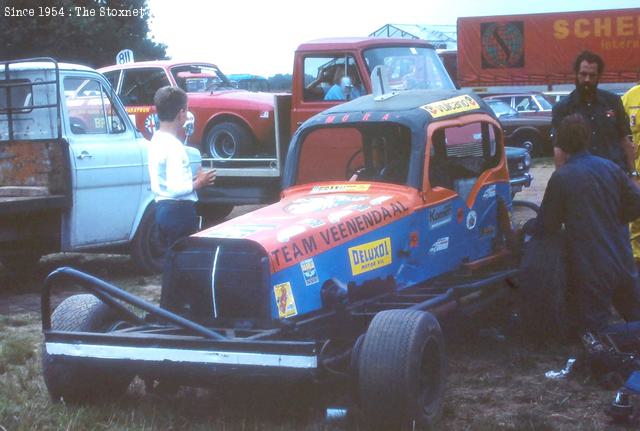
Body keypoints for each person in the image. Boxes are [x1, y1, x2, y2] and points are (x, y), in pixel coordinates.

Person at [540, 113, 640, 333]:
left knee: (594, 334)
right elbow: (636, 202)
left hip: (592, 268)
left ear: (561, 143)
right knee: (635, 315)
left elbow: (548, 225)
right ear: (587, 139)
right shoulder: (611, 168)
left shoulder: (562, 178)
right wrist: (614, 220)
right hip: (622, 258)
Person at [148, 86, 216, 256]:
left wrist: (192, 179)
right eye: (186, 109)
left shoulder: (155, 140)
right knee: (183, 264)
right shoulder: (175, 147)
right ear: (181, 114)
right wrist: (199, 182)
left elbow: (167, 179)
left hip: (161, 209)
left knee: (171, 263)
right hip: (178, 212)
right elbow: (177, 189)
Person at [551, 50, 634, 173]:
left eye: (592, 75)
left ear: (599, 76)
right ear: (576, 74)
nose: (587, 79)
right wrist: (561, 180)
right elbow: (559, 150)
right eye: (583, 74)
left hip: (615, 176)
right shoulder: (563, 108)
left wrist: (633, 174)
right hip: (581, 179)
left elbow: (624, 140)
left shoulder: (613, 102)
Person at [623, 82, 640, 267]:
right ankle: (635, 260)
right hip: (637, 172)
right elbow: (619, 132)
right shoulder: (630, 97)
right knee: (636, 221)